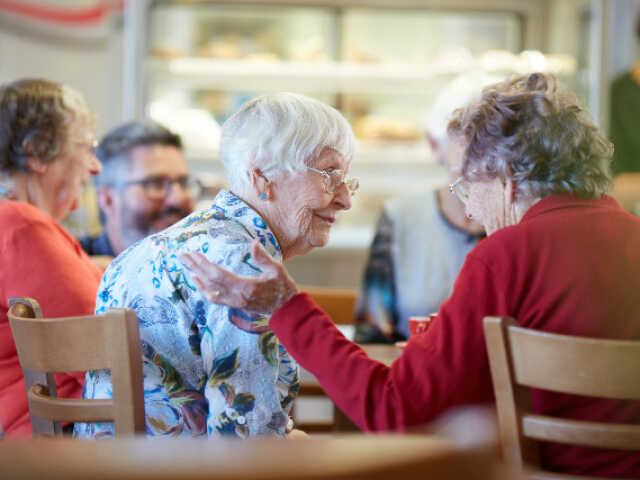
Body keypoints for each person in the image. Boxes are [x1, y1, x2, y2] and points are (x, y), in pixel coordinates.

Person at [181, 73, 640, 477]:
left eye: (467, 186)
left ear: (507, 178)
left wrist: (286, 306)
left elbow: (395, 412)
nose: (469, 209)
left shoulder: (508, 254)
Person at [76, 93, 357, 438]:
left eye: (347, 181)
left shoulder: (146, 250)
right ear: (261, 178)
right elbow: (247, 442)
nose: (344, 200)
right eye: (330, 176)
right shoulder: (242, 268)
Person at [0, 78, 103, 436]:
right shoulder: (20, 223)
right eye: (87, 147)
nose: (95, 167)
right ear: (36, 151)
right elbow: (103, 351)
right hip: (64, 440)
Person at [354, 74, 489, 343]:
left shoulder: (524, 224)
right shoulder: (400, 217)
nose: (485, 159)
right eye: (468, 142)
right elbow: (372, 333)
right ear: (434, 146)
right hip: (417, 377)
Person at [79, 120, 196, 263]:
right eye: (156, 184)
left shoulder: (208, 271)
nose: (178, 198)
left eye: (183, 183)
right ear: (107, 199)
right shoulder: (73, 268)